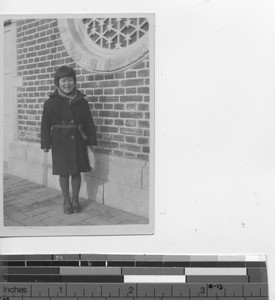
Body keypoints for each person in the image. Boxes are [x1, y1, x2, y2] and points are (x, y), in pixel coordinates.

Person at [40, 66, 97, 214]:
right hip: (59, 141)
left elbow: (89, 122)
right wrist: (45, 143)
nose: (67, 84)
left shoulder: (82, 101)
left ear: (75, 82)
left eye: (70, 80)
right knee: (63, 173)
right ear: (57, 83)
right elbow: (45, 124)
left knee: (76, 172)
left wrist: (91, 141)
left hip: (78, 140)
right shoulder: (50, 102)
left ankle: (76, 199)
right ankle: (66, 200)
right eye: (63, 80)